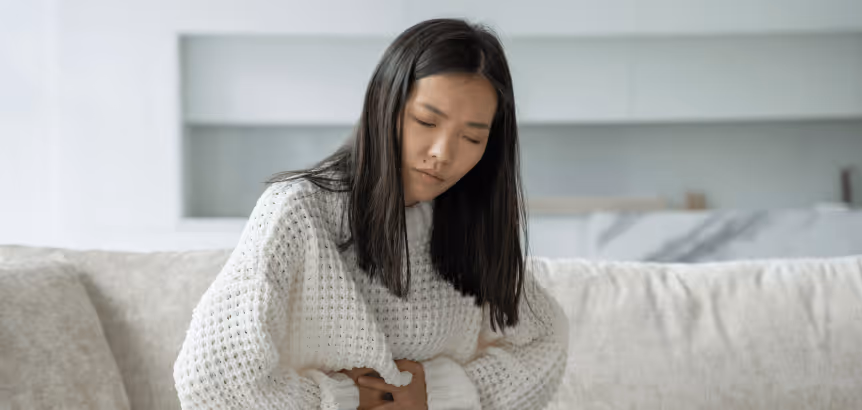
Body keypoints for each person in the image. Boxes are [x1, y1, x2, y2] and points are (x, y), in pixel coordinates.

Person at [173, 18, 569, 410]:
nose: (443, 153)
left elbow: (544, 343)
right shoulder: (299, 211)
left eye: (472, 138)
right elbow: (213, 377)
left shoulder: (469, 224)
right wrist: (343, 398)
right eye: (426, 122)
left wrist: (437, 391)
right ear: (385, 104)